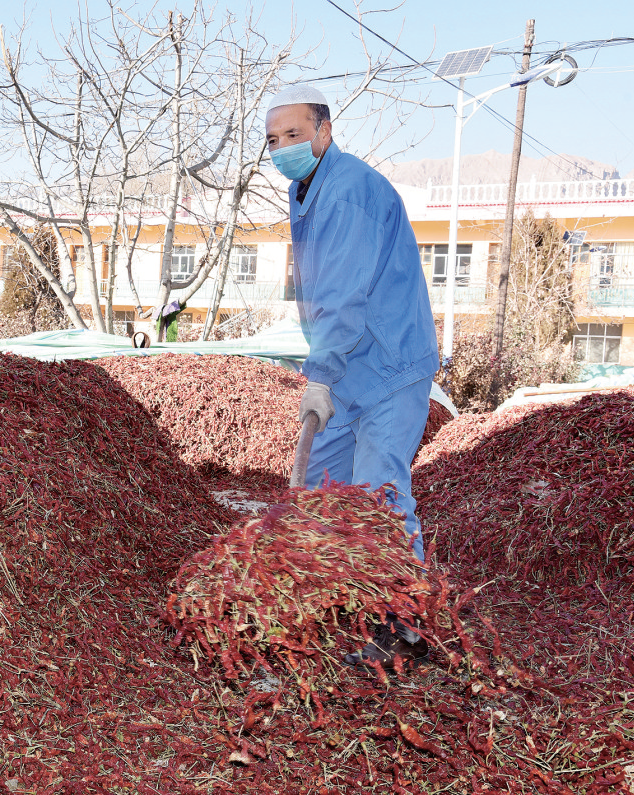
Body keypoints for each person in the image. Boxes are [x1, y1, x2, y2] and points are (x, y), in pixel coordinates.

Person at [265, 84, 440, 671]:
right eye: (273, 139)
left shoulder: (350, 191)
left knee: (377, 493)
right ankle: (337, 600)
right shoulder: (304, 188)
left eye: (294, 134)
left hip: (388, 363)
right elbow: (315, 291)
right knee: (316, 487)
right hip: (347, 366)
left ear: (324, 131)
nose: (284, 147)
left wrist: (320, 372)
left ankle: (403, 623)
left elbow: (344, 294)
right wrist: (320, 362)